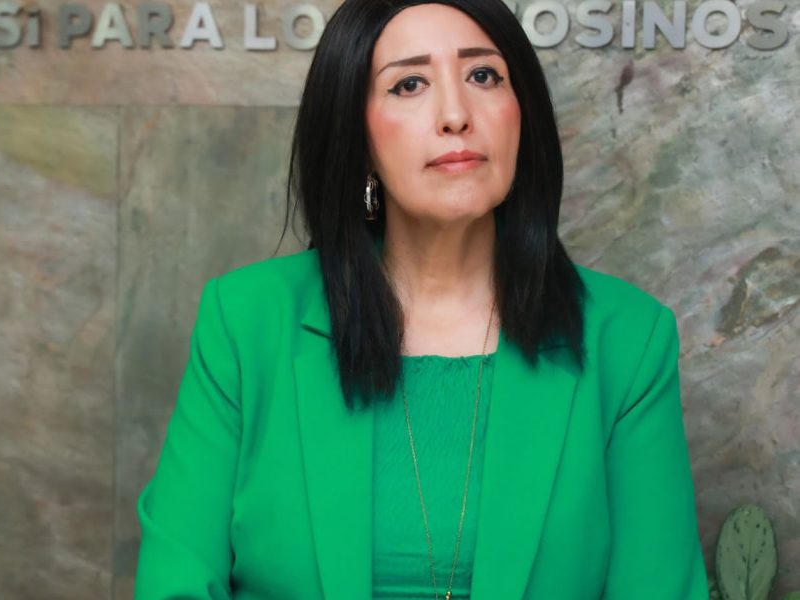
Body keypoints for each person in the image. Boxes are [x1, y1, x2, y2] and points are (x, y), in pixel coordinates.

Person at [133, 0, 709, 598]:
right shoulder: (246, 320)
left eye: (483, 75)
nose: (456, 114)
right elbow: (176, 582)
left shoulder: (628, 339)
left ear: (522, 113)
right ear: (356, 135)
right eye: (408, 84)